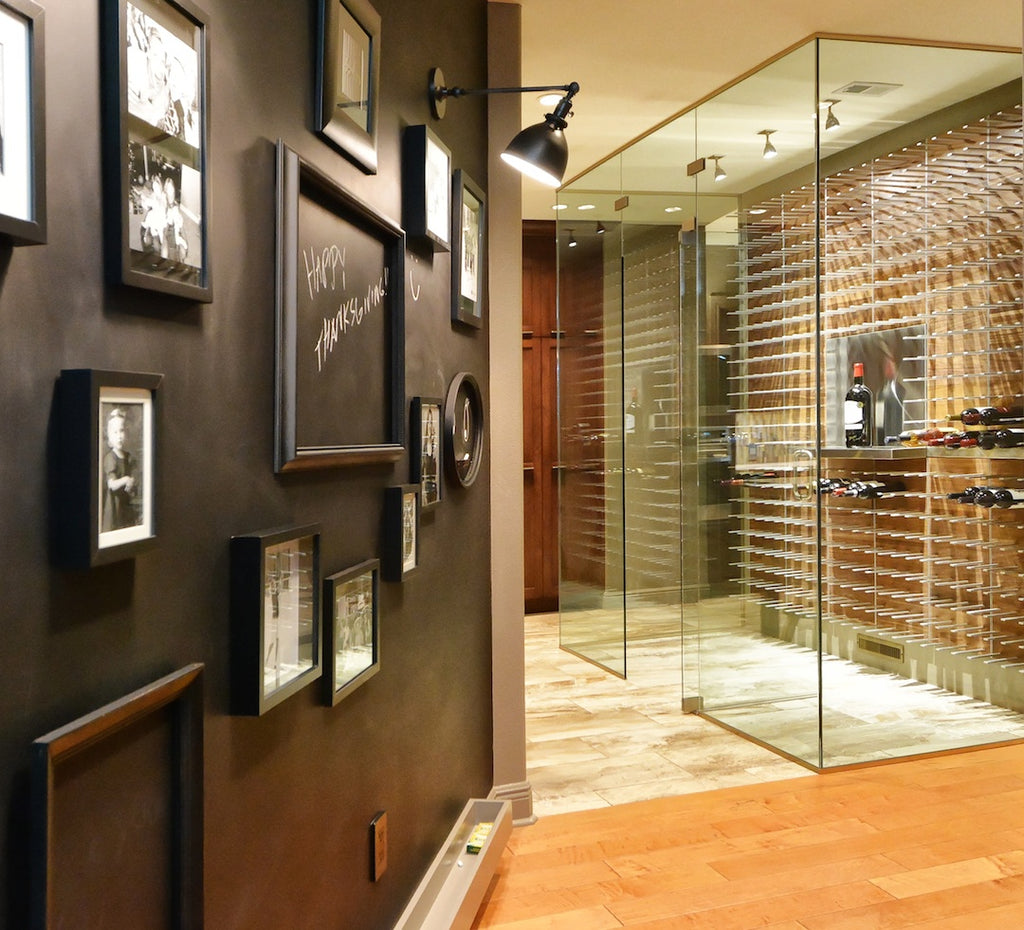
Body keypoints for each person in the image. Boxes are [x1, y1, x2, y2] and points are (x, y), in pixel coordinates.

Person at [101, 408, 139, 532]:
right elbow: (112, 484)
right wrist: (126, 479)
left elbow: (133, 476)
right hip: (114, 507)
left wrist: (131, 481)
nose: (119, 436)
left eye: (121, 431)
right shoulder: (110, 458)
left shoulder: (127, 457)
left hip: (125, 505)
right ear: (109, 436)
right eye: (115, 432)